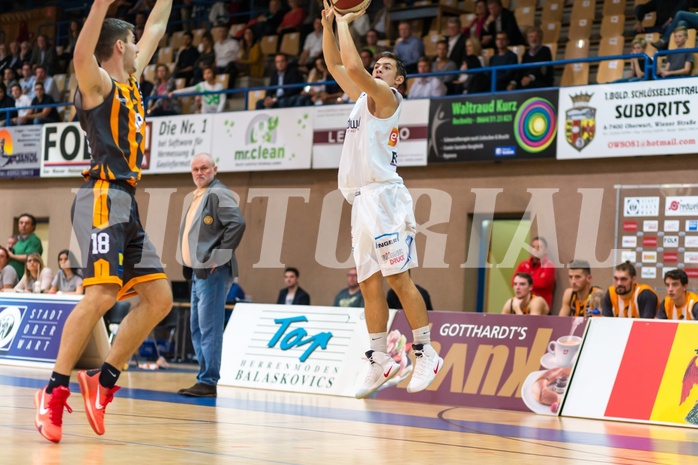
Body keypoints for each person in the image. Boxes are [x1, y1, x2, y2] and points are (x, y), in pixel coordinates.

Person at [34, 0, 174, 444]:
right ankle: (53, 391)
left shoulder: (132, 80)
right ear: (118, 45)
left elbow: (156, 25)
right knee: (100, 297)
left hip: (126, 201)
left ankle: (104, 379)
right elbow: (80, 55)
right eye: (132, 43)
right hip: (102, 195)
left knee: (159, 298)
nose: (141, 48)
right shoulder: (98, 83)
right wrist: (99, 4)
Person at [321, 1, 443, 399]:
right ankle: (378, 357)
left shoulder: (388, 98)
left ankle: (426, 351)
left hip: (386, 199)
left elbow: (353, 67)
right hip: (361, 202)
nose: (378, 68)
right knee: (369, 286)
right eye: (378, 65)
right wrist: (327, 25)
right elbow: (337, 68)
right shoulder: (362, 97)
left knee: (397, 279)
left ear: (400, 79)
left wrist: (344, 20)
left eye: (386, 66)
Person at [177, 153, 246, 398]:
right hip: (198, 272)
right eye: (195, 169)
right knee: (197, 326)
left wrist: (220, 256)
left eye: (204, 168)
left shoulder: (218, 193)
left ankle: (208, 380)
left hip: (214, 272)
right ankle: (203, 377)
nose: (199, 172)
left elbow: (237, 223)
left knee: (210, 327)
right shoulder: (198, 196)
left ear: (214, 169)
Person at [512, 236, 556, 308]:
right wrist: (534, 281)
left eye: (539, 247)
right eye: (533, 247)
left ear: (545, 250)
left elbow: (542, 283)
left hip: (541, 308)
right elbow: (513, 281)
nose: (535, 250)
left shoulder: (549, 266)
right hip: (522, 305)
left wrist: (524, 281)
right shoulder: (523, 264)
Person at [8, 213, 43, 277]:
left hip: (26, 278)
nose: (23, 225)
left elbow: (30, 258)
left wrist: (12, 256)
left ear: (33, 226)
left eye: (27, 223)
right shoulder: (19, 241)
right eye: (21, 223)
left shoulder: (34, 240)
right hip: (13, 276)